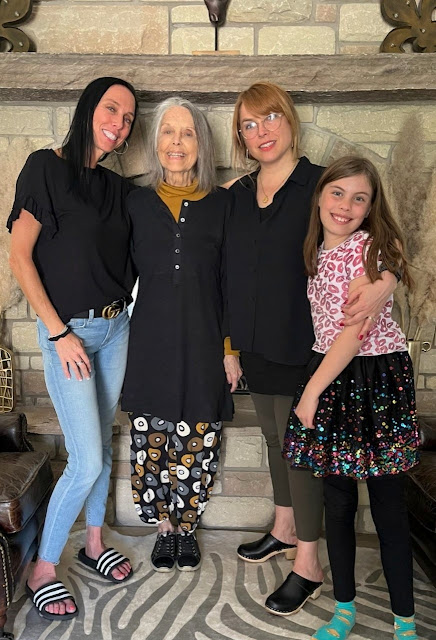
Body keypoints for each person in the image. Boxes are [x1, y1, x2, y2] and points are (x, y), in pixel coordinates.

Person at [225, 82, 399, 614]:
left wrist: (387, 280)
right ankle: (283, 529)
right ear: (240, 136)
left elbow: (382, 236)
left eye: (270, 118)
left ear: (289, 119)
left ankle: (308, 564)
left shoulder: (319, 184)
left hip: (304, 344)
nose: (261, 132)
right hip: (254, 343)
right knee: (274, 439)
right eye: (249, 125)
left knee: (299, 452)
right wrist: (228, 346)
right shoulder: (238, 193)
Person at [7, 77, 138, 621]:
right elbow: (20, 256)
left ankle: (93, 542)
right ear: (88, 108)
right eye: (112, 109)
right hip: (70, 335)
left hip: (116, 329)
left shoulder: (119, 189)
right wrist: (59, 334)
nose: (119, 123)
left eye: (129, 118)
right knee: (86, 460)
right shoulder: (45, 167)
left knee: (101, 444)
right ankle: (43, 568)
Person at [283, 155, 420, 640]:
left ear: (370, 207)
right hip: (331, 373)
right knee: (336, 502)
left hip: (373, 379)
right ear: (320, 196)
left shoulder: (369, 252)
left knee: (387, 506)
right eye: (337, 193)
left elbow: (354, 333)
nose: (345, 206)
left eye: (359, 198)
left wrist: (310, 394)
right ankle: (344, 607)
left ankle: (405, 620)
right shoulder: (317, 250)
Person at [122, 97, 242, 573]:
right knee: (150, 439)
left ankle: (187, 527)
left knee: (198, 438)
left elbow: (231, 281)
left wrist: (230, 350)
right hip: (148, 342)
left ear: (201, 144)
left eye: (187, 133)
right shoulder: (134, 203)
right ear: (155, 143)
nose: (177, 142)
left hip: (205, 340)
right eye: (168, 132)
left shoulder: (223, 205)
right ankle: (163, 527)